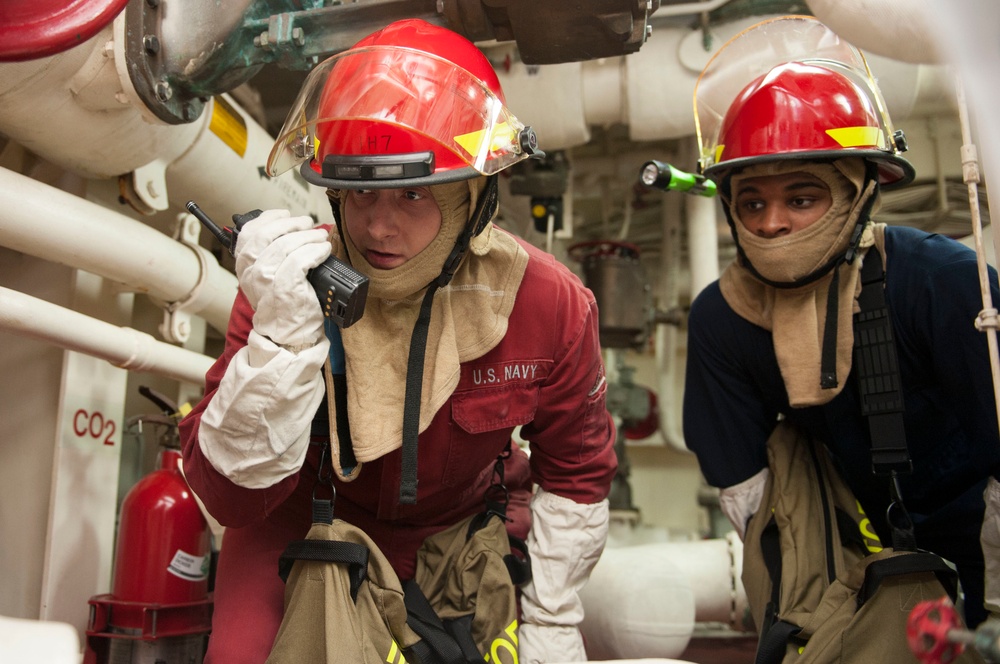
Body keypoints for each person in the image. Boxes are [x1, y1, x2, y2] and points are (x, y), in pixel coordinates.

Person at [178, 18, 617, 664]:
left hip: (469, 529)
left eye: (412, 193)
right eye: (358, 191)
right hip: (302, 522)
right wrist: (282, 343)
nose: (378, 225)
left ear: (474, 195)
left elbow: (576, 473)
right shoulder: (286, 287)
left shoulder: (549, 304)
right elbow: (227, 496)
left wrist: (553, 621)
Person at [682, 16, 1000, 628]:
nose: (772, 222)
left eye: (801, 199)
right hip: (853, 571)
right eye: (752, 201)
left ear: (858, 190)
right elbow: (753, 504)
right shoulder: (724, 319)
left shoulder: (942, 283)